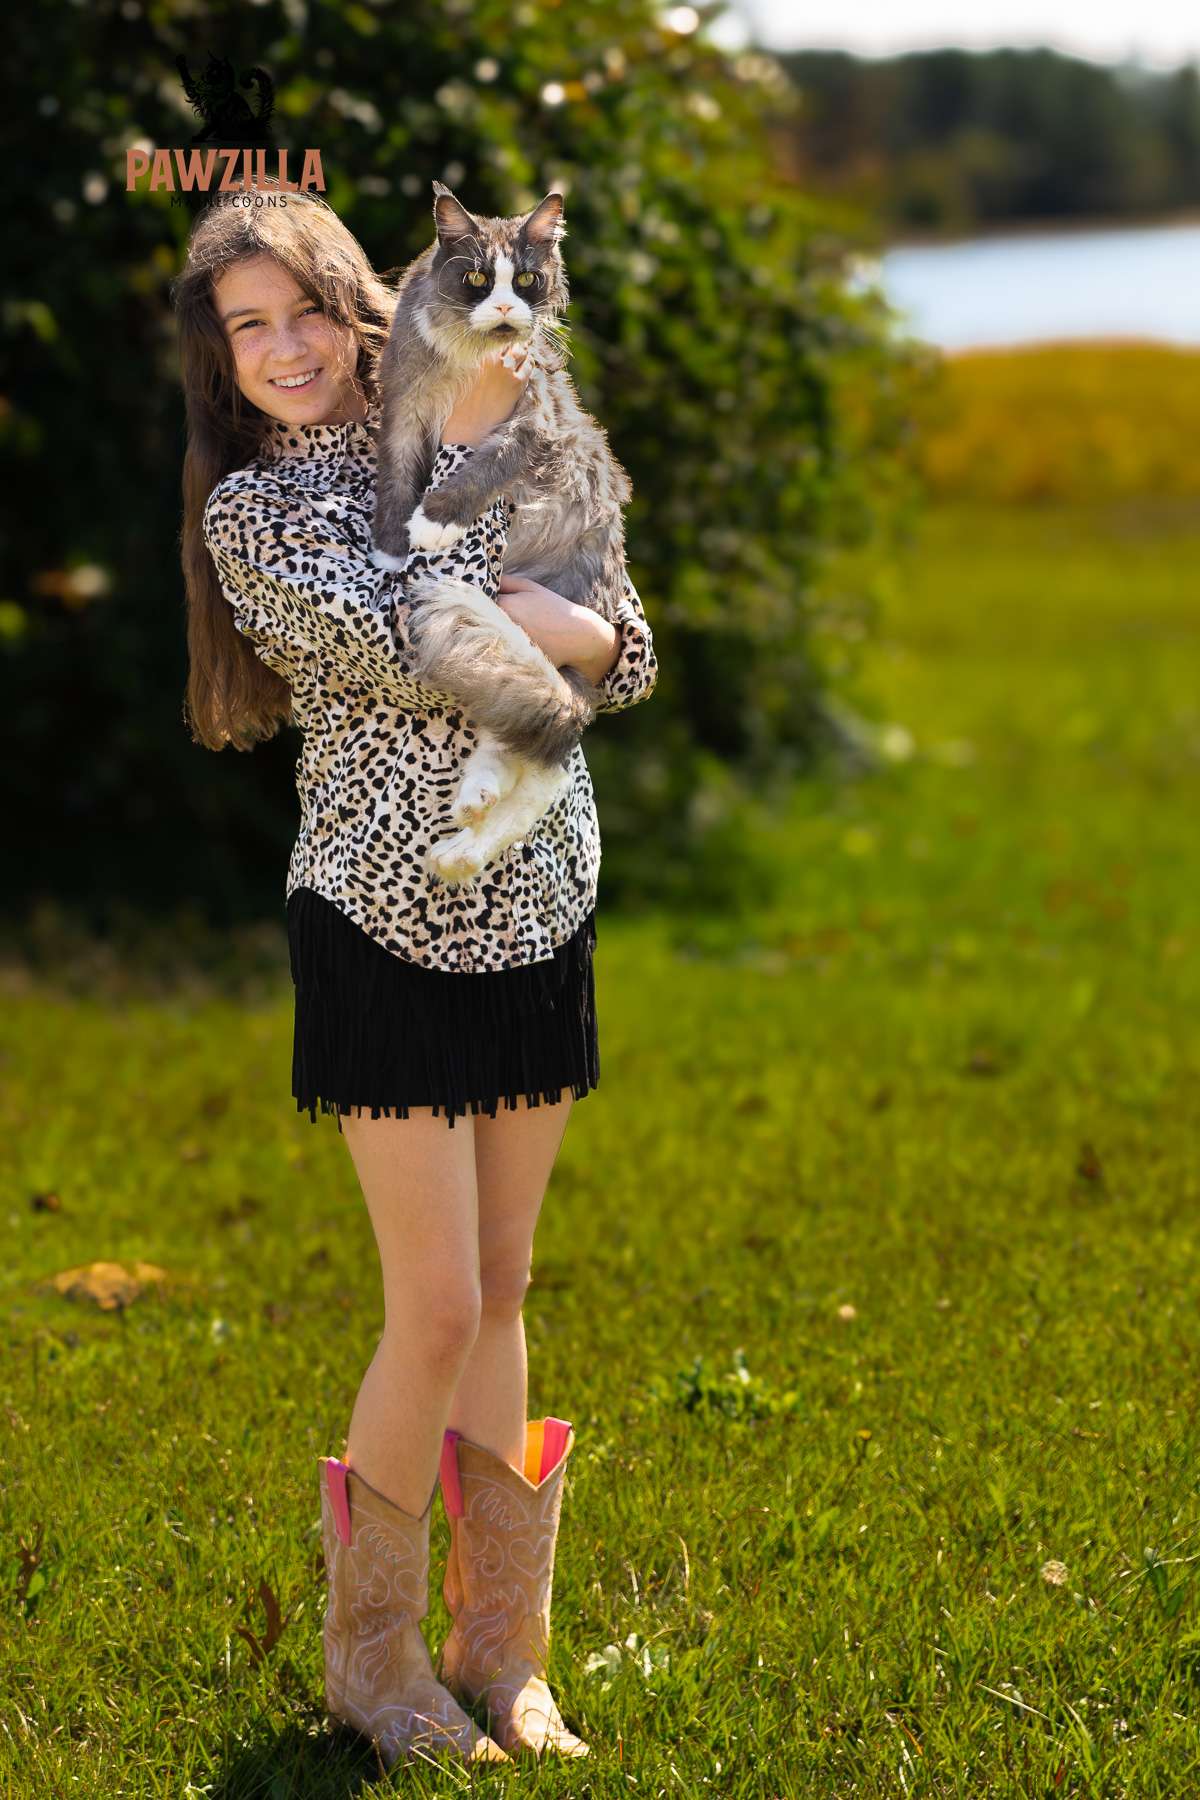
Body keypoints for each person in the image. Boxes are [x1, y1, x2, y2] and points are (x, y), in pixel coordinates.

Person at [172, 190, 658, 1770]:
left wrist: (566, 621)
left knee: (508, 1286)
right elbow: (431, 641)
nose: (287, 346)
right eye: (249, 326)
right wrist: (543, 617)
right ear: (221, 361)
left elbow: (628, 644)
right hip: (379, 919)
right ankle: (371, 1663)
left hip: (538, 900)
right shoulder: (257, 514)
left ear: (361, 302)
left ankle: (500, 1653)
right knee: (436, 1300)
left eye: (305, 306)